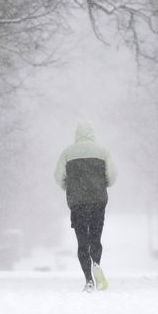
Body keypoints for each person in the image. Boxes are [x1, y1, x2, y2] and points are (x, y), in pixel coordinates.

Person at [55, 122, 117, 292]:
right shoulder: (102, 151)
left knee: (82, 241)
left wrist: (68, 187)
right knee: (95, 238)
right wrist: (104, 183)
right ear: (92, 134)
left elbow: (58, 176)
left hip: (77, 203)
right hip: (98, 201)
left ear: (77, 134)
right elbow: (112, 175)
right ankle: (96, 263)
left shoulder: (68, 153)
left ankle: (88, 279)